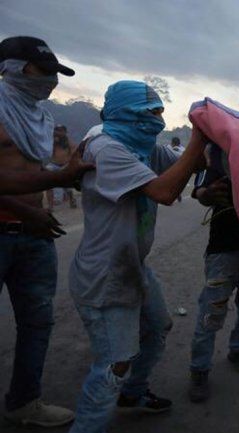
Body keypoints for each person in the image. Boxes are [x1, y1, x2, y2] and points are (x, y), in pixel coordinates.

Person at [67, 80, 206, 433]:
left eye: (160, 112)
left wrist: (217, 140)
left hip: (132, 267)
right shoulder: (106, 148)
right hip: (105, 274)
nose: (157, 120)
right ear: (123, 114)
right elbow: (164, 190)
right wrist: (198, 138)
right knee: (114, 363)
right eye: (148, 112)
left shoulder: (143, 146)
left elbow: (190, 164)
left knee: (157, 327)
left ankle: (133, 394)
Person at [0, 35, 78, 427]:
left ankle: (24, 402)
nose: (51, 80)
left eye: (55, 73)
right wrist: (25, 211)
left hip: (34, 235)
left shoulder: (40, 118)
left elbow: (41, 168)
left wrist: (73, 175)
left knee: (37, 322)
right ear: (14, 68)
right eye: (43, 70)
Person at [188, 144, 239, 402]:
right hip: (223, 252)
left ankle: (238, 350)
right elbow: (200, 192)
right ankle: (199, 369)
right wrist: (208, 194)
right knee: (211, 313)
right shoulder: (218, 155)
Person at [45, 125, 78, 210]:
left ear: (64, 132)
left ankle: (71, 199)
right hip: (53, 164)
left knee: (67, 185)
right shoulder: (51, 142)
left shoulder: (68, 142)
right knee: (48, 182)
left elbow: (74, 154)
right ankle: (50, 205)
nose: (59, 133)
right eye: (57, 131)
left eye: (61, 131)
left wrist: (69, 164)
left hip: (65, 164)